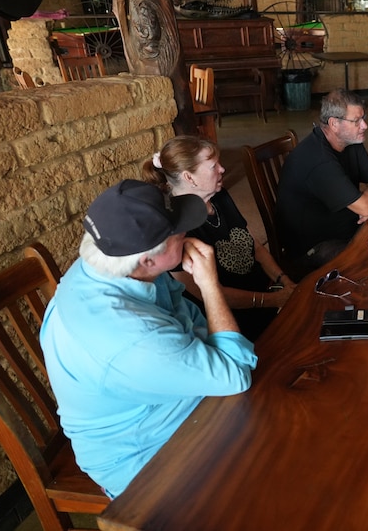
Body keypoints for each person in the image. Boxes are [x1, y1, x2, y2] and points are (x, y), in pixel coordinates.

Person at [40, 180, 258, 499]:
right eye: (178, 232)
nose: (188, 232)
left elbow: (186, 316)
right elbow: (236, 372)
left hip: (170, 408)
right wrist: (209, 285)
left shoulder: (103, 265)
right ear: (149, 260)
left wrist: (204, 347)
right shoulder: (131, 337)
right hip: (147, 462)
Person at [143, 135, 294, 340]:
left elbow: (255, 247)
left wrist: (283, 280)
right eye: (213, 166)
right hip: (230, 319)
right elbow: (211, 295)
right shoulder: (176, 229)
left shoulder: (218, 195)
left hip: (265, 293)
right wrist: (273, 300)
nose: (222, 169)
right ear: (189, 178)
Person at [275, 88, 368, 280]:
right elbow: (367, 203)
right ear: (334, 123)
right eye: (356, 121)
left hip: (345, 226)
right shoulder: (319, 160)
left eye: (364, 118)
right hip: (313, 246)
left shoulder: (350, 141)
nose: (364, 125)